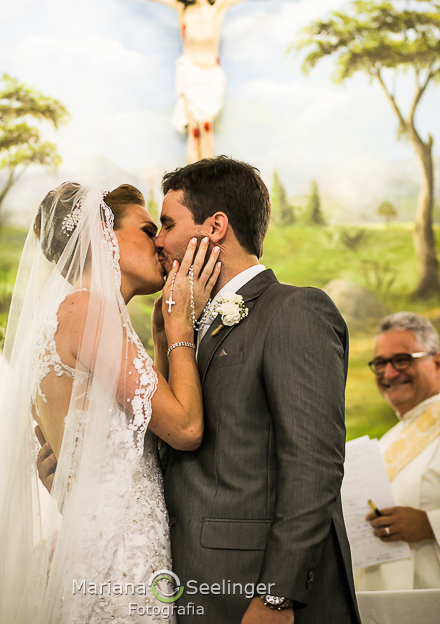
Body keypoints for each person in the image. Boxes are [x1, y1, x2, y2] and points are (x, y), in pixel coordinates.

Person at [38, 157, 361, 624]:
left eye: (167, 225)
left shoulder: (293, 310)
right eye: (153, 229)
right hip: (176, 583)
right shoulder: (175, 323)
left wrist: (277, 595)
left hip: (249, 589)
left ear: (215, 227)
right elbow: (169, 442)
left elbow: (314, 465)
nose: (160, 241)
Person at [0, 182, 221, 624]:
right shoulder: (88, 312)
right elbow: (186, 428)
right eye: (147, 230)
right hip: (121, 558)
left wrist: (162, 338)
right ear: (105, 237)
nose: (160, 243)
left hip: (102, 546)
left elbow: (143, 435)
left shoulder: (68, 317)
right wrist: (182, 326)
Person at [94, 0, 300, 163]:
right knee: (193, 129)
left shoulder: (219, 5)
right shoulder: (181, 9)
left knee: (207, 126)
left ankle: (208, 174)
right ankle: (192, 174)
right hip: (190, 71)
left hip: (210, 73)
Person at [354, 312, 440, 591]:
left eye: (402, 360)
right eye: (380, 363)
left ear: (437, 362)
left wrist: (429, 525)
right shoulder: (386, 442)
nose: (389, 374)